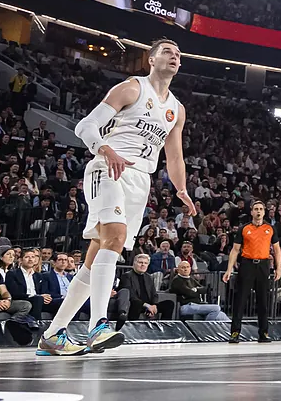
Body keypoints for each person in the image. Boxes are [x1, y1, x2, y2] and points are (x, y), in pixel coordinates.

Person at [37, 38, 196, 357]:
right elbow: (87, 126)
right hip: (107, 168)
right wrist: (106, 149)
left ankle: (54, 334)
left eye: (178, 54)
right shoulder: (131, 88)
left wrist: (181, 189)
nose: (174, 57)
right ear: (151, 59)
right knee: (115, 237)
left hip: (140, 179)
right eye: (167, 52)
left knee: (95, 258)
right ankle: (98, 325)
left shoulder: (176, 109)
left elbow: (175, 157)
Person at [224, 199, 281, 343]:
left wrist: (278, 268)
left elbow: (277, 249)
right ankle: (235, 333)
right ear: (251, 212)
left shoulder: (270, 229)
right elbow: (235, 250)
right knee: (240, 299)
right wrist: (229, 269)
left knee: (263, 301)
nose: (258, 211)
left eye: (261, 209)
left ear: (264, 212)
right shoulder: (243, 228)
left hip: (263, 265)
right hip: (247, 264)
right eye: (255, 209)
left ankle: (264, 333)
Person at [5, 248, 51, 320]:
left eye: (33, 257)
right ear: (20, 260)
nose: (30, 259)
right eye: (27, 257)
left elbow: (43, 291)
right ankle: (35, 324)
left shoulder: (39, 275)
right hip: (23, 299)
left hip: (39, 299)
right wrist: (37, 296)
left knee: (59, 302)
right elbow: (15, 293)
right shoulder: (12, 274)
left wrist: (47, 297)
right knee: (38, 299)